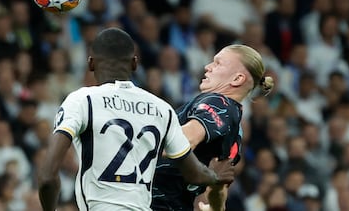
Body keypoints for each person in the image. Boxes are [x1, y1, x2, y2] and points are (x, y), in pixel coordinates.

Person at [38, 28, 235, 211]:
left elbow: (47, 177)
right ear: (134, 63)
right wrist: (214, 175)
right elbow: (194, 173)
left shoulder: (82, 100)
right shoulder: (162, 109)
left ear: (91, 63)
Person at [151, 44, 274, 211]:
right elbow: (219, 189)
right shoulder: (236, 134)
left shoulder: (218, 102)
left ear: (237, 79)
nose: (207, 67)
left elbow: (187, 139)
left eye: (218, 63)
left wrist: (137, 146)